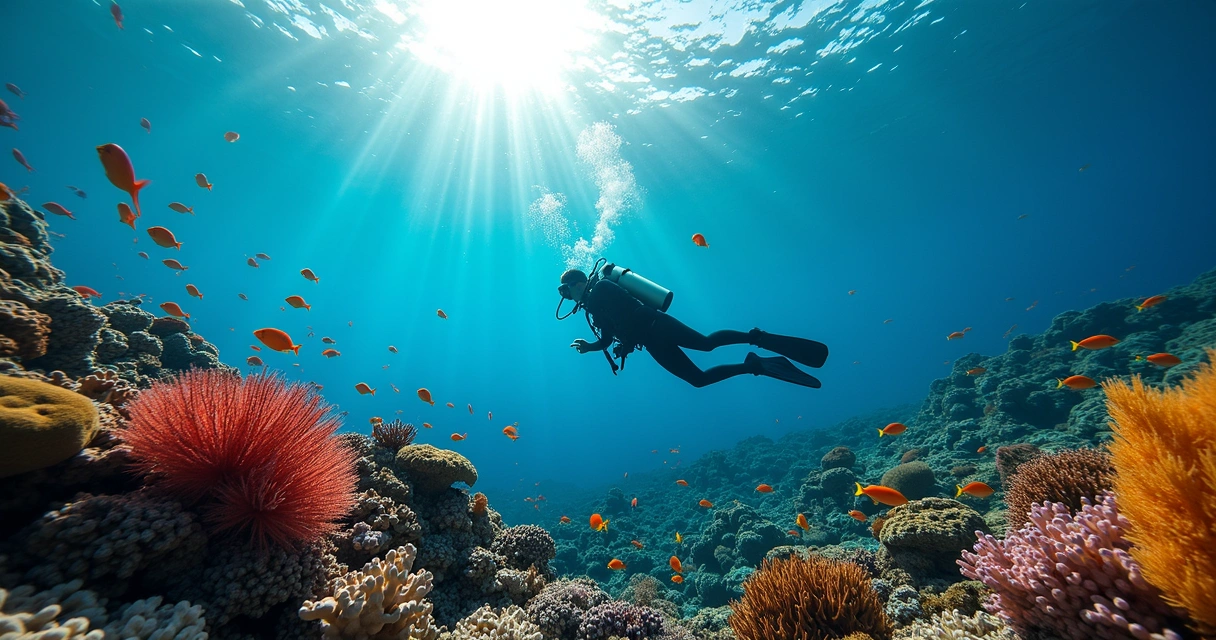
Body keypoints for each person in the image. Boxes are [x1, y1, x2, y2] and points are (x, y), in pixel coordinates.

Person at [557, 266, 828, 388]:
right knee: (698, 380)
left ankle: (755, 337)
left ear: (577, 284)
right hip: (651, 341)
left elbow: (629, 312)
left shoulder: (603, 287)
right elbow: (607, 337)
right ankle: (754, 365)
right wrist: (593, 347)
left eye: (566, 292)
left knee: (707, 343)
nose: (567, 298)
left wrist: (622, 339)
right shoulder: (592, 307)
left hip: (657, 325)